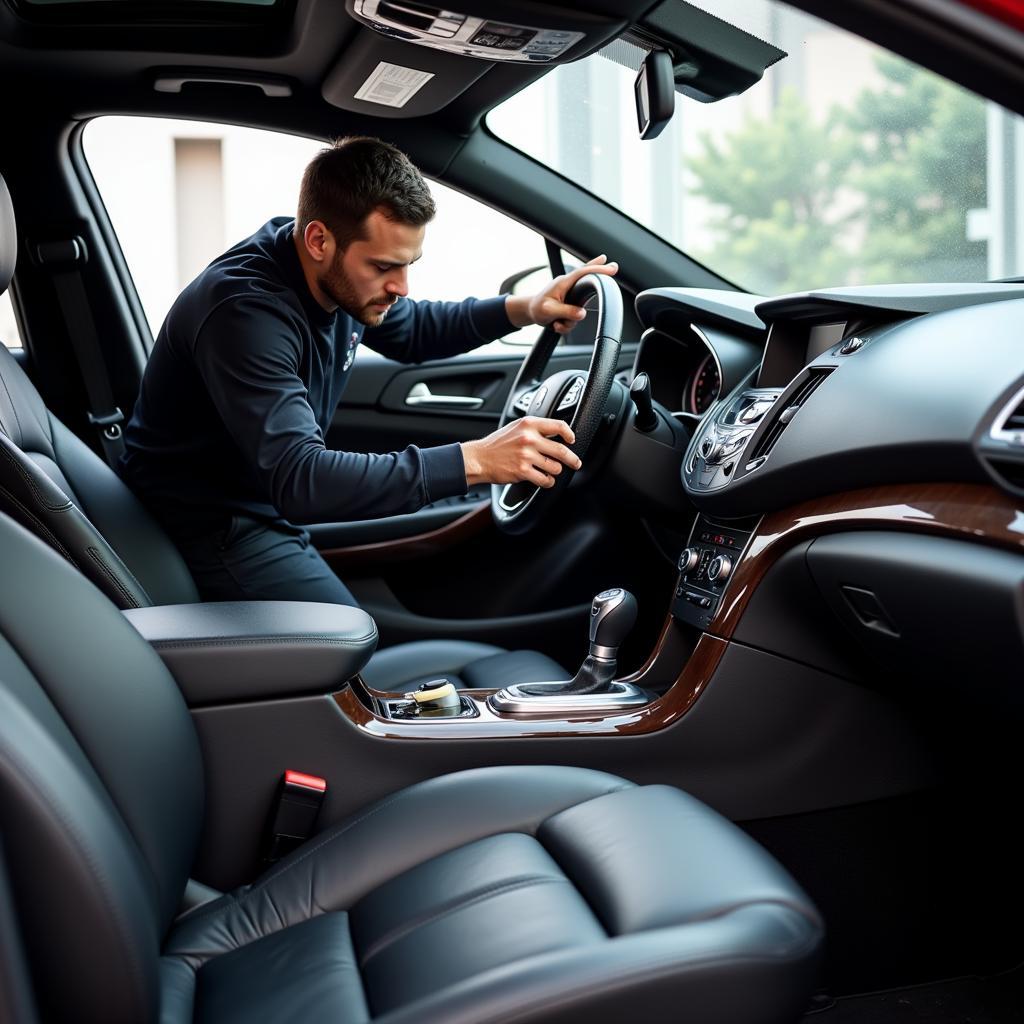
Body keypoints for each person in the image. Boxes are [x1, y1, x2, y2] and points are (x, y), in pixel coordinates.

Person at [120, 135, 617, 605]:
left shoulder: (324, 269)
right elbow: (301, 478)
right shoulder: (244, 314)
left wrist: (525, 308)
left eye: (409, 264)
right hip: (210, 525)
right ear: (319, 240)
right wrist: (477, 460)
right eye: (383, 267)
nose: (401, 286)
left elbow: (413, 329)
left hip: (259, 505)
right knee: (349, 659)